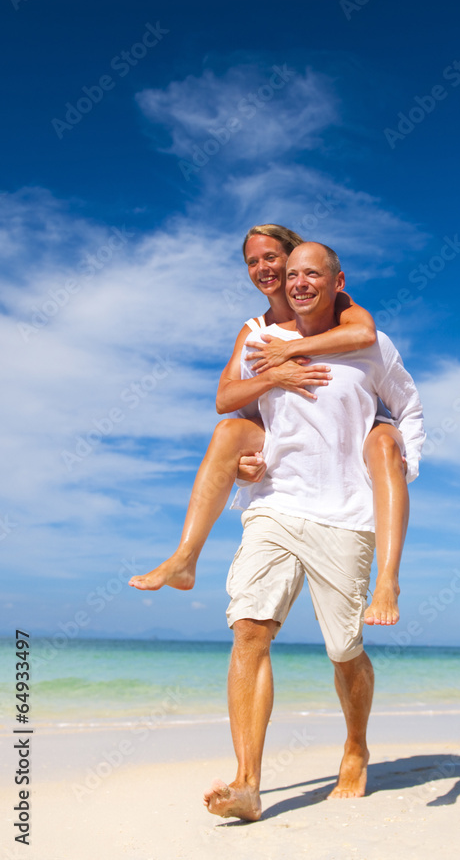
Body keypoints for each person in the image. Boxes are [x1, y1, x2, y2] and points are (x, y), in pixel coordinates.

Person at [203, 241, 424, 820]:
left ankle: (355, 745)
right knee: (249, 628)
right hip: (275, 506)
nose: (299, 283)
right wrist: (249, 463)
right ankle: (247, 783)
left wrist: (405, 460)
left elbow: (409, 406)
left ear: (336, 280)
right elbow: (244, 414)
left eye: (312, 274)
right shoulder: (260, 344)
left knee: (344, 649)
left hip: (346, 514)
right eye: (292, 274)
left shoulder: (369, 344)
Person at [129, 225, 411, 626]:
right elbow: (225, 400)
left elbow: (364, 333)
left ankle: (389, 580)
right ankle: (184, 558)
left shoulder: (343, 310)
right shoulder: (255, 330)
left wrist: (292, 349)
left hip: (353, 444)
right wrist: (274, 377)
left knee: (344, 649)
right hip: (282, 463)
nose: (263, 268)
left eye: (272, 258)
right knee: (228, 432)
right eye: (252, 261)